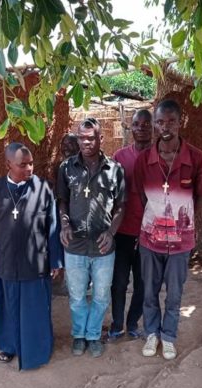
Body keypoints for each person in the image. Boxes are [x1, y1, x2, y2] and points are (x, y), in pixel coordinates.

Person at [134, 99, 202, 360]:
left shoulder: (196, 158)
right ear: (155, 125)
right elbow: (142, 196)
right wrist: (156, 218)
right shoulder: (144, 160)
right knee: (149, 290)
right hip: (150, 240)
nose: (165, 127)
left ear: (181, 123)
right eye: (160, 122)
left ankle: (168, 336)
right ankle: (152, 333)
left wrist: (187, 223)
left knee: (175, 293)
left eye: (170, 121)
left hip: (181, 242)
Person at [0, 142, 63, 370]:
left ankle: (38, 351)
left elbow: (53, 227)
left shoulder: (44, 188)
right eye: (23, 165)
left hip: (36, 263)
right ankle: (9, 346)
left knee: (35, 310)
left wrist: (55, 259)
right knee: (8, 308)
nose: (29, 168)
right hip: (6, 263)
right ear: (8, 165)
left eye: (31, 163)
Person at [57, 118, 126, 358]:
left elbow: (121, 206)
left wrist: (111, 232)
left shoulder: (115, 170)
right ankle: (79, 335)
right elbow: (62, 201)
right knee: (77, 296)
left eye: (91, 138)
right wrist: (64, 224)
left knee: (101, 296)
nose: (85, 143)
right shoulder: (66, 168)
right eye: (81, 138)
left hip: (103, 247)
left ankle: (94, 335)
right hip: (74, 246)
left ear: (100, 139)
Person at [105, 109, 153, 342]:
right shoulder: (119, 157)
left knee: (143, 284)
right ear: (130, 128)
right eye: (136, 124)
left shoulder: (160, 156)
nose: (141, 128)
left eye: (146, 124)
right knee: (119, 282)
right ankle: (117, 325)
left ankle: (133, 323)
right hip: (122, 232)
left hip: (150, 233)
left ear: (153, 128)